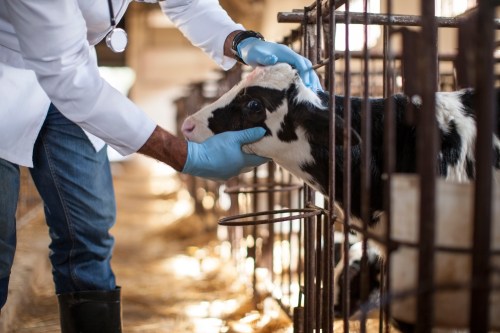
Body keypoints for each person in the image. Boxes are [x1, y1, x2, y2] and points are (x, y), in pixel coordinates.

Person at [0, 0, 322, 331]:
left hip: (69, 73)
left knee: (89, 230)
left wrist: (240, 41)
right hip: (8, 74)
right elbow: (69, 77)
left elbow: (186, 2)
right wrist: (186, 156)